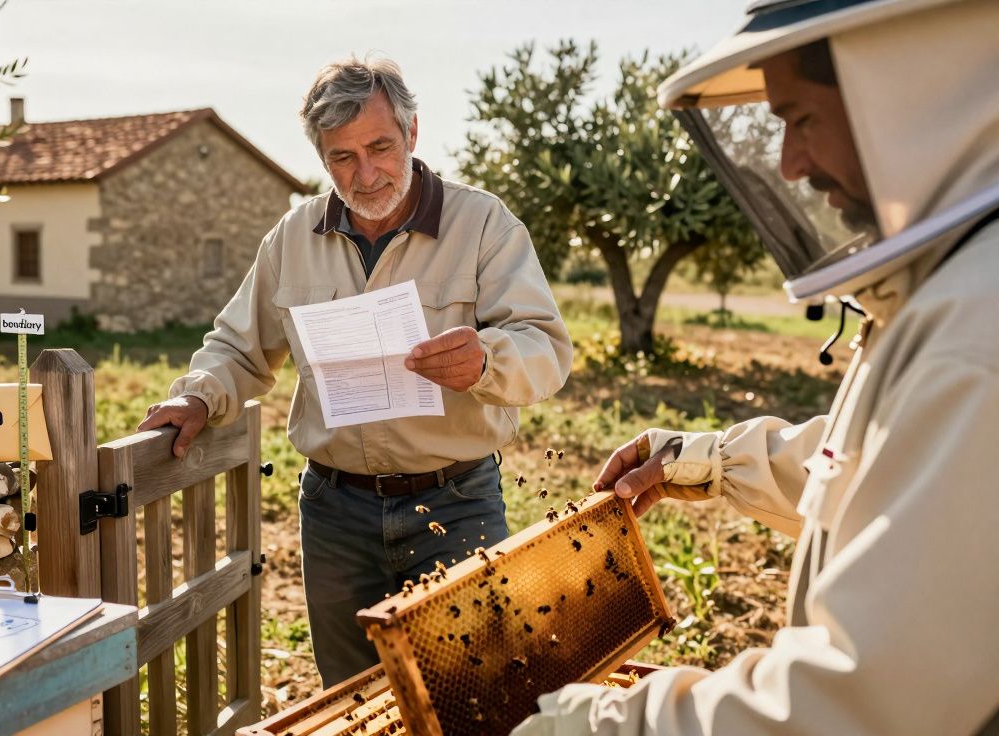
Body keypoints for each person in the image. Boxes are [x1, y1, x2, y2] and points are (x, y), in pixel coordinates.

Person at [513, 0, 999, 733]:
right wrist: (710, 461)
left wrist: (585, 727)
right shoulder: (959, 290)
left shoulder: (977, 334)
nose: (790, 164)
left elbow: (852, 704)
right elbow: (889, 463)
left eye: (801, 119)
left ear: (909, 96)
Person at [139, 57, 572, 686]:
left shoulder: (483, 224)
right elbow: (238, 347)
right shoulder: (291, 238)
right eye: (342, 157)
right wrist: (199, 397)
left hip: (455, 504)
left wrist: (486, 359)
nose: (365, 174)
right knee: (350, 696)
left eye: (380, 148)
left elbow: (546, 347)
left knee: (471, 691)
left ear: (412, 133)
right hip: (334, 513)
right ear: (321, 157)